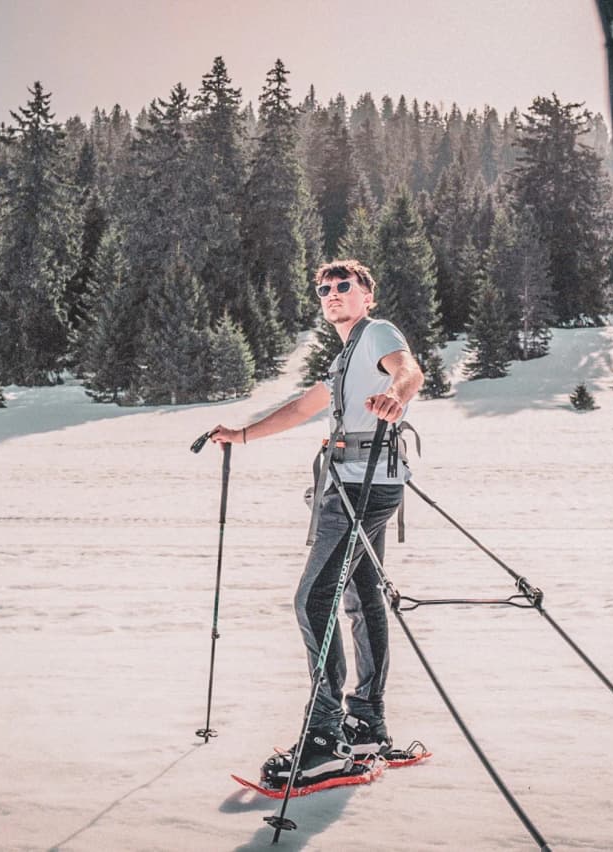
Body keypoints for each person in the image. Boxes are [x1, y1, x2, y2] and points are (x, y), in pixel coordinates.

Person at [208, 259, 424, 787]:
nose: (331, 293)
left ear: (367, 296)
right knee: (361, 596)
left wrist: (395, 396)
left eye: (343, 286)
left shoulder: (377, 333)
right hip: (360, 482)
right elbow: (303, 407)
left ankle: (324, 739)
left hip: (361, 486)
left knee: (314, 599)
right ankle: (366, 725)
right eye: (324, 288)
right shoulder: (345, 357)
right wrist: (241, 435)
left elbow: (410, 371)